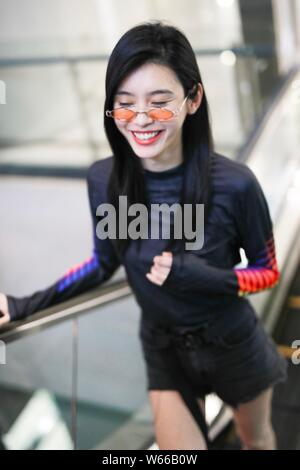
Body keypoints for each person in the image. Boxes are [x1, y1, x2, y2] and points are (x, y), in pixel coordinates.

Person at [0, 20, 287, 450]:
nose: (140, 120)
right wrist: (23, 304)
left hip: (232, 344)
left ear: (193, 100)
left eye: (158, 102)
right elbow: (103, 263)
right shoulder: (105, 181)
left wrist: (202, 276)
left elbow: (267, 272)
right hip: (163, 346)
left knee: (257, 440)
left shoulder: (235, 184)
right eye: (124, 104)